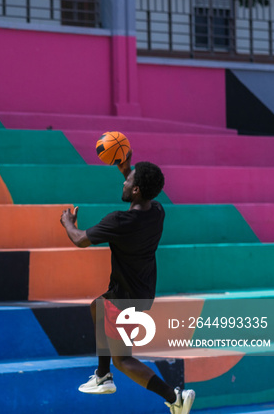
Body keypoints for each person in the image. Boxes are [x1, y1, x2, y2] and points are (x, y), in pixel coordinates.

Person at [60, 154, 195, 414]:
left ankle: (175, 397)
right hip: (142, 292)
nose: (123, 183)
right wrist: (126, 169)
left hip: (124, 297)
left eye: (128, 180)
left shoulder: (119, 222)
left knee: (123, 360)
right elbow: (143, 192)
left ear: (135, 190)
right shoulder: (157, 212)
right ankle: (102, 376)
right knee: (97, 306)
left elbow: (80, 240)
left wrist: (68, 223)